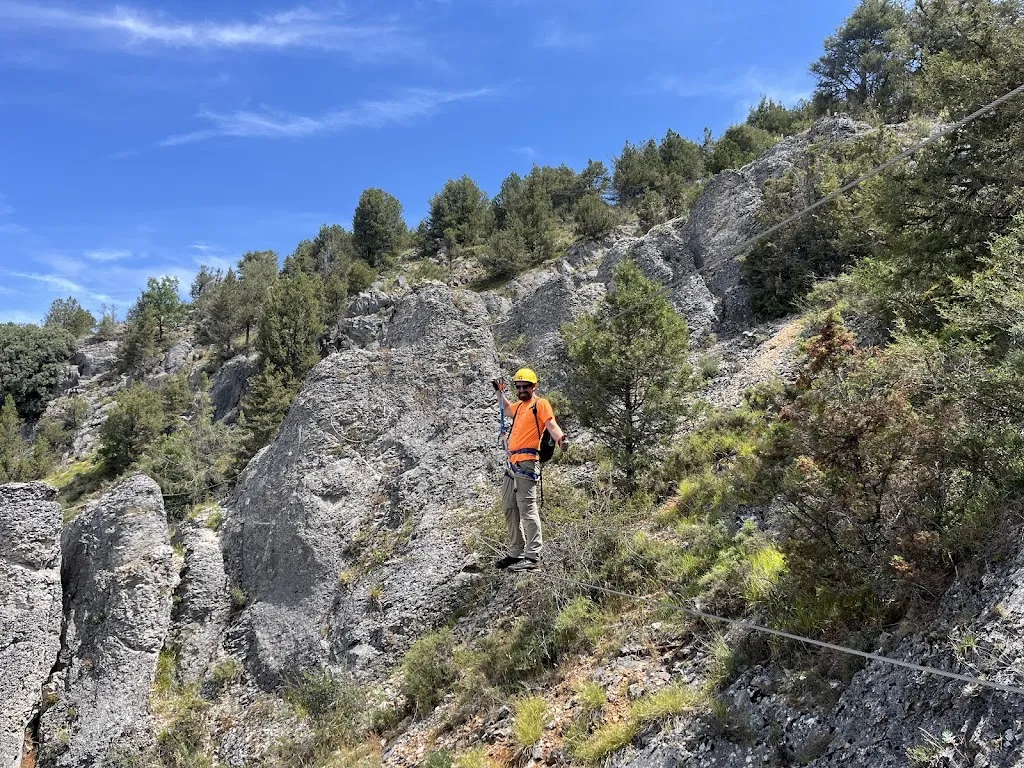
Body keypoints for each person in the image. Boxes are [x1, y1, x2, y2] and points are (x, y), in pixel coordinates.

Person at [492, 367, 568, 571]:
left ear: (534, 387)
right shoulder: (518, 407)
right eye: (519, 387)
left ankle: (533, 556)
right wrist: (499, 391)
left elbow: (551, 424)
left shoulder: (540, 404)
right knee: (509, 507)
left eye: (526, 386)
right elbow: (505, 408)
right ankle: (516, 552)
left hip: (527, 462)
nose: (522, 389)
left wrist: (560, 439)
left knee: (527, 509)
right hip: (512, 464)